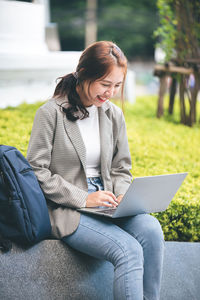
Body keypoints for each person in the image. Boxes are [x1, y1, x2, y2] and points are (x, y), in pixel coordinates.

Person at [27, 41, 164, 300]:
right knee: (128, 250)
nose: (110, 93)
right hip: (67, 209)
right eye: (105, 84)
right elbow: (36, 171)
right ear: (84, 73)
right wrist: (84, 198)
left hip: (108, 203)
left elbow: (121, 168)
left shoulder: (113, 115)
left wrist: (124, 196)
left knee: (152, 230)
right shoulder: (50, 114)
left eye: (117, 86)